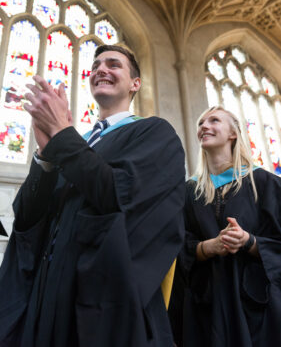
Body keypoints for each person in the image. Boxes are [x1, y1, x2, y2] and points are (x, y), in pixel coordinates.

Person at [0, 44, 186, 347]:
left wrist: (62, 135)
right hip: (46, 296)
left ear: (135, 83)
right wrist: (46, 156)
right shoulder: (77, 142)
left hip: (96, 302)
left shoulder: (154, 132)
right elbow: (29, 220)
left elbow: (119, 196)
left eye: (114, 64)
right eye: (96, 65)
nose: (101, 69)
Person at [169, 105, 281, 347]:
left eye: (214, 121)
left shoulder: (263, 182)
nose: (204, 127)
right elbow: (174, 245)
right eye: (201, 123)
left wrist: (249, 242)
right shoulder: (189, 192)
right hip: (206, 306)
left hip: (258, 307)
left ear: (233, 134)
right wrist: (208, 247)